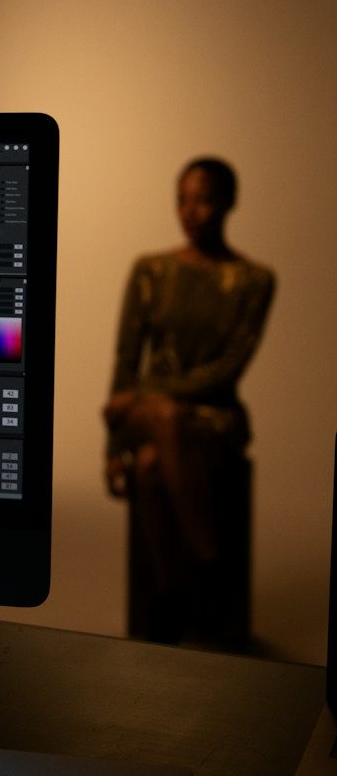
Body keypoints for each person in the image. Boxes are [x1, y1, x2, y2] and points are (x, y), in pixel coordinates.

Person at [103, 157, 274, 646]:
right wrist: (113, 445)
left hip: (213, 414)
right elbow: (125, 359)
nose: (190, 211)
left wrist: (142, 398)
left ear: (228, 203)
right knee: (161, 419)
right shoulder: (150, 269)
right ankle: (212, 573)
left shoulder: (254, 280)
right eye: (182, 199)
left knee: (155, 460)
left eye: (203, 199)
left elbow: (228, 369)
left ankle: (173, 593)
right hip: (145, 411)